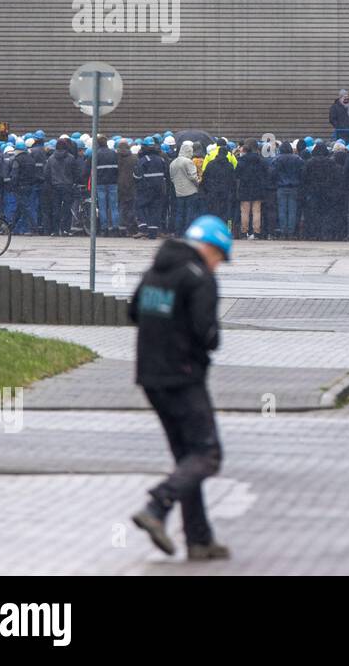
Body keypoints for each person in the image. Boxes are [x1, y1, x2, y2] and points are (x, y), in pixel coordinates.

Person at [128, 215, 233, 561]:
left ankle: (199, 540)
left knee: (186, 458)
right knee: (207, 455)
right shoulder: (199, 278)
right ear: (210, 249)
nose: (218, 266)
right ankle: (157, 505)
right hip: (184, 377)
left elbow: (132, 312)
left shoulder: (155, 270)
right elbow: (208, 334)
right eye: (220, 258)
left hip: (150, 377)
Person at [235, 140, 269, 240]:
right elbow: (265, 173)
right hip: (257, 188)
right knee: (256, 211)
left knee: (245, 212)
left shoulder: (241, 161)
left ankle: (244, 232)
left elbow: (237, 174)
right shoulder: (260, 160)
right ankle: (256, 232)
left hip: (245, 188)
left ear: (245, 151)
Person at [270, 141, 304, 237]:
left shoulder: (277, 159)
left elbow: (272, 173)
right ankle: (291, 231)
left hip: (281, 187)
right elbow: (302, 172)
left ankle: (283, 231)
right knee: (292, 210)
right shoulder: (297, 159)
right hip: (294, 187)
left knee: (282, 210)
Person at [169, 141, 202, 236]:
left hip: (179, 192)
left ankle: (178, 232)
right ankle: (187, 232)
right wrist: (198, 181)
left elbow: (172, 178)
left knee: (179, 213)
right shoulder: (188, 162)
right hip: (191, 192)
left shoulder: (173, 163)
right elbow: (193, 177)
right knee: (189, 213)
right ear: (188, 152)